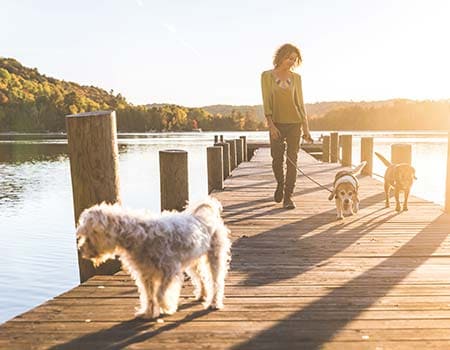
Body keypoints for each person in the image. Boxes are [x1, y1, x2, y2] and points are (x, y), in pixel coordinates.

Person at [261, 43, 312, 209]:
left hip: (294, 124)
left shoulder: (297, 78)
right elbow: (266, 101)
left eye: (294, 60)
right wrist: (271, 125)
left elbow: (300, 104)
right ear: (281, 56)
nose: (291, 62)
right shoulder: (267, 76)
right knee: (277, 159)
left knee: (292, 160)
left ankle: (288, 197)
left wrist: (306, 129)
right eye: (289, 58)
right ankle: (280, 185)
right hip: (276, 123)